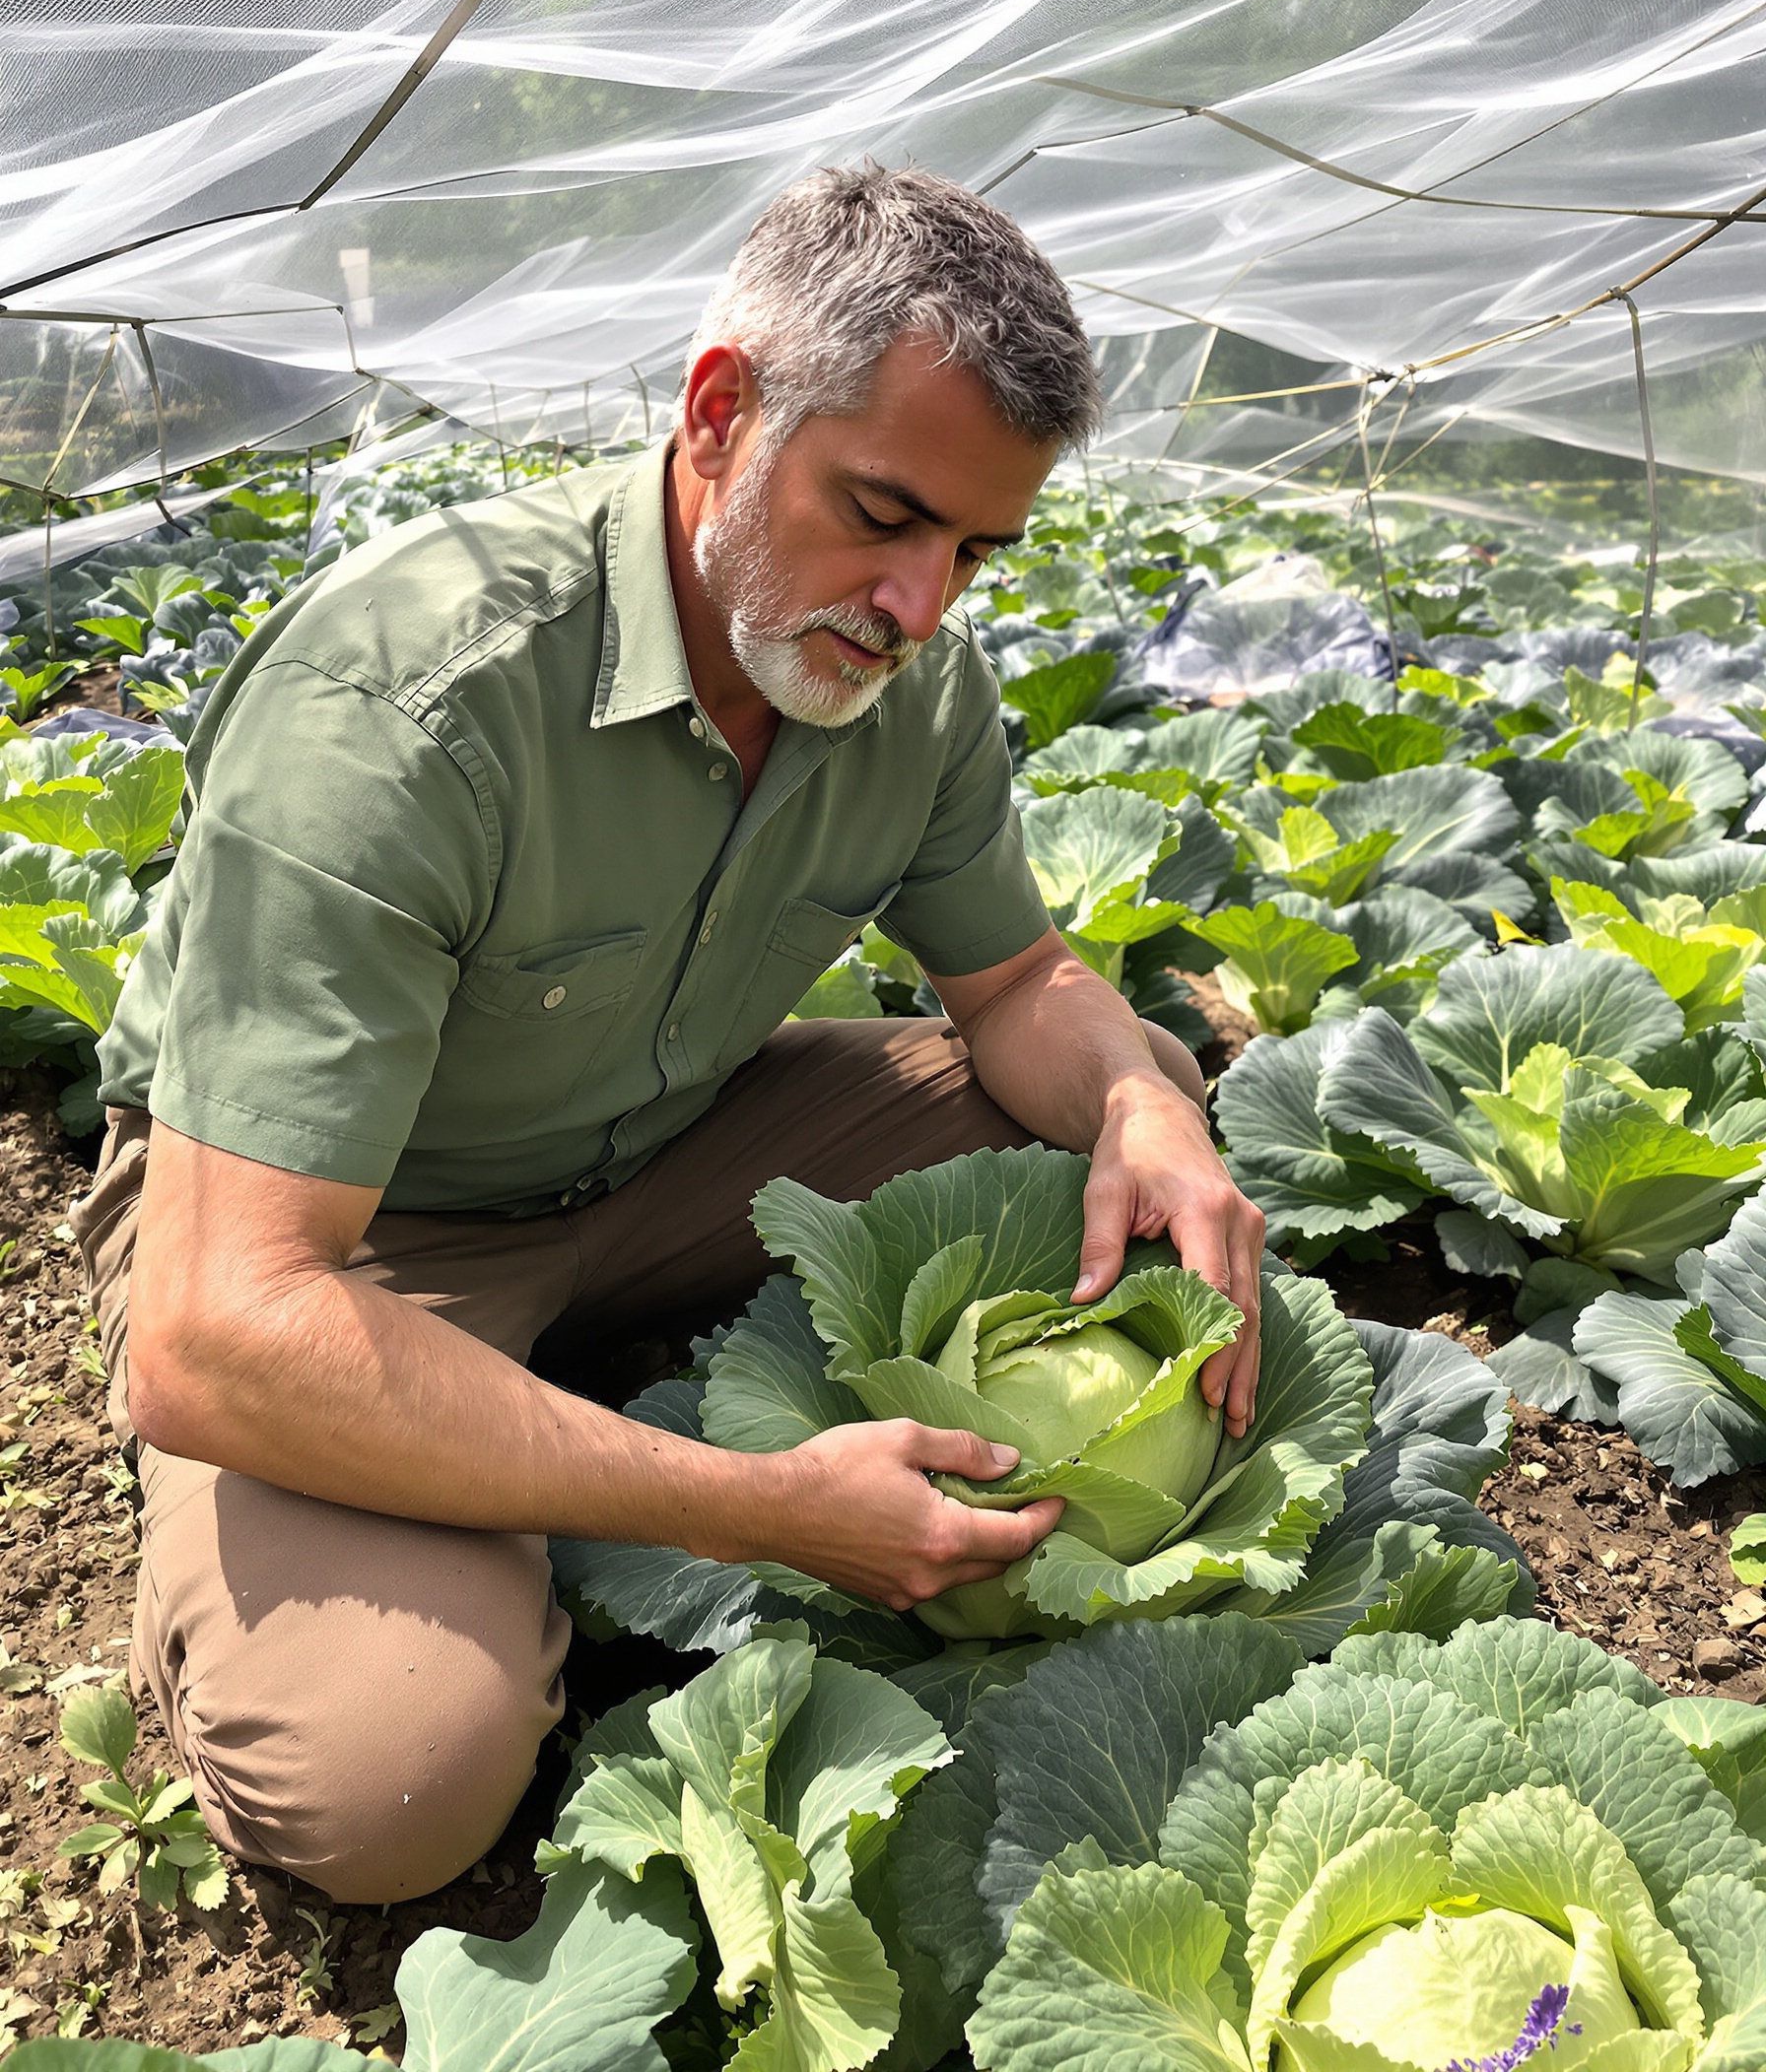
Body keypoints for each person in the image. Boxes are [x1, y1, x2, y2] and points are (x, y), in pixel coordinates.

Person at [71, 162, 1265, 1904]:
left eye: (975, 552)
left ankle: (518, 1421)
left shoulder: (906, 682)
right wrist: (745, 1499)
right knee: (394, 1782)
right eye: (882, 511)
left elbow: (1017, 989)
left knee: (1112, 1121)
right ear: (721, 411)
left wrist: (1154, 1115)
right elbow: (219, 1324)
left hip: (657, 1147)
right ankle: (324, 1514)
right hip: (348, 1239)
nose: (921, 602)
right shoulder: (406, 703)